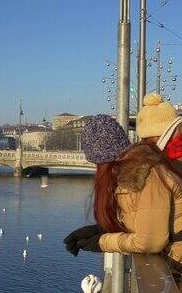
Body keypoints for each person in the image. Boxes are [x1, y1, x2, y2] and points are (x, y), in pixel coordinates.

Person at [64, 114, 182, 278]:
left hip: (177, 266)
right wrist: (101, 229)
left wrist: (101, 242)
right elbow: (145, 218)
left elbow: (150, 241)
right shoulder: (135, 169)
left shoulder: (143, 175)